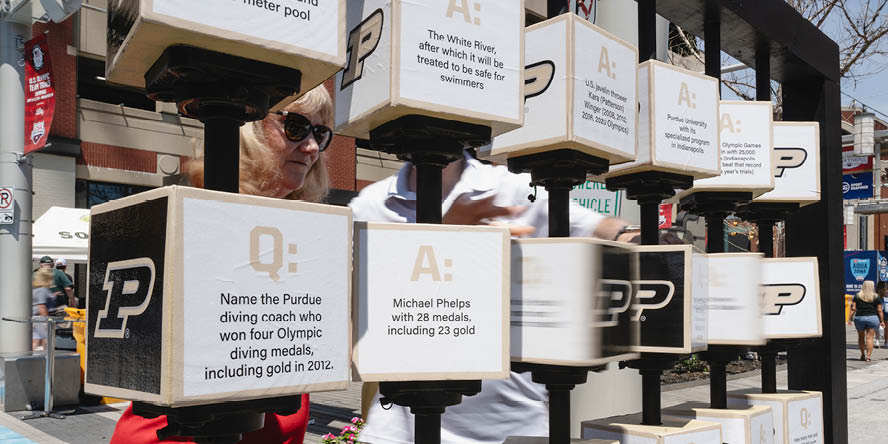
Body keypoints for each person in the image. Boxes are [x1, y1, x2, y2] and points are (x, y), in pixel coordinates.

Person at [349, 149, 633, 444]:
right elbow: (356, 318)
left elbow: (598, 227)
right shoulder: (371, 203)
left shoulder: (510, 187)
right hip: (398, 429)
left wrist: (633, 236)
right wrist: (450, 237)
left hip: (509, 429)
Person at [109, 84, 334, 444]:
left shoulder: (304, 240)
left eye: (320, 134)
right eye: (295, 128)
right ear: (251, 127)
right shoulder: (195, 225)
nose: (310, 148)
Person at [849, 280, 885, 361]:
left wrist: (849, 318)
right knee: (870, 338)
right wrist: (882, 321)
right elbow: (879, 310)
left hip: (859, 318)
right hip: (872, 318)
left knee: (861, 337)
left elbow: (853, 308)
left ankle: (862, 354)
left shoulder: (857, 296)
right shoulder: (876, 296)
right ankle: (868, 357)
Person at [32, 268, 54, 351]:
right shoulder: (43, 290)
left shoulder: (37, 289)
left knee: (36, 342)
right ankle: (47, 359)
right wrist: (46, 321)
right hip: (41, 319)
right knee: (47, 340)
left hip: (36, 319)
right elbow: (41, 306)